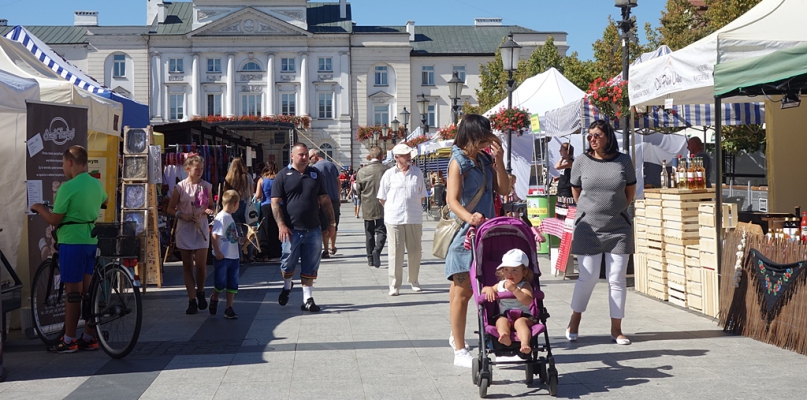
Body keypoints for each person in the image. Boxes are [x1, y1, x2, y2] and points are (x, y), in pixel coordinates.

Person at [445, 114, 509, 368]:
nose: (486, 140)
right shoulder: (457, 161)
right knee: (462, 292)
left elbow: (503, 190)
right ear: (471, 135)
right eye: (482, 136)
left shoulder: (483, 159)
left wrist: (499, 160)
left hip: (488, 233)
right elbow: (452, 200)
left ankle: (460, 335)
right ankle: (459, 349)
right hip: (466, 235)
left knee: (488, 290)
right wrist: (470, 217)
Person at [30, 145, 107, 353]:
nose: (63, 167)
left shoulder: (67, 187)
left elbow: (55, 219)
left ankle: (69, 340)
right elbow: (105, 201)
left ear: (70, 162)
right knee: (88, 291)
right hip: (91, 239)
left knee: (73, 293)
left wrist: (38, 208)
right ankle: (89, 337)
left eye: (63, 163)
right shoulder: (95, 183)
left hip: (72, 241)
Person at [566, 120, 636, 346]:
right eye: (589, 136)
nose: (592, 139)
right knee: (588, 277)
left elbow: (630, 190)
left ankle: (617, 329)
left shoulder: (624, 160)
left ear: (608, 137)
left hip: (618, 228)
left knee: (617, 279)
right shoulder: (581, 161)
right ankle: (574, 320)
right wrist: (588, 211)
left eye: (596, 135)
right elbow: (576, 190)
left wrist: (616, 210)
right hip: (588, 228)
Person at [272, 143, 336, 312]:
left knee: (311, 265)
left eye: (306, 154)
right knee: (287, 264)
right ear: (292, 156)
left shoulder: (315, 174)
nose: (304, 157)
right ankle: (287, 286)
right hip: (291, 230)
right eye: (300, 154)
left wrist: (331, 223)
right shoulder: (283, 175)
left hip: (313, 228)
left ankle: (307, 299)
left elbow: (325, 199)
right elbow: (275, 202)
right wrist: (281, 225)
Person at [377, 143, 428, 296]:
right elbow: (382, 197)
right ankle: (394, 284)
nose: (409, 157)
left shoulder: (417, 172)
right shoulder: (389, 174)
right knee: (395, 252)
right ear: (397, 157)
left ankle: (414, 280)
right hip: (394, 218)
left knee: (415, 251)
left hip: (413, 217)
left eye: (409, 154)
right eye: (405, 155)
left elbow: (422, 195)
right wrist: (393, 208)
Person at [167, 154, 215, 315]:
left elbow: (211, 206)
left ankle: (201, 291)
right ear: (188, 169)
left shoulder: (206, 186)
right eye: (197, 169)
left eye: (201, 169)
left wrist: (208, 211)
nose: (200, 172)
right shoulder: (179, 187)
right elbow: (169, 209)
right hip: (185, 228)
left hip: (200, 228)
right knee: (187, 265)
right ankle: (192, 299)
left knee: (201, 265)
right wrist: (181, 215)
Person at [480, 249, 535, 354]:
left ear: (524, 272)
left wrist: (515, 290)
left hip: (523, 315)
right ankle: (504, 336)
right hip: (505, 315)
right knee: (500, 321)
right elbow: (484, 289)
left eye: (514, 270)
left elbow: (527, 300)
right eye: (506, 270)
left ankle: (524, 343)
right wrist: (489, 290)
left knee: (520, 323)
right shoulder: (501, 284)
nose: (510, 274)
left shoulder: (524, 285)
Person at [210, 190, 242, 319]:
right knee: (220, 282)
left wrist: (241, 240)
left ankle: (229, 307)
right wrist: (217, 251)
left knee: (233, 282)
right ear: (235, 204)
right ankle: (215, 297)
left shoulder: (229, 217)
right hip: (223, 256)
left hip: (233, 255)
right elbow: (214, 235)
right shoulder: (222, 217)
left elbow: (232, 236)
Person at [356, 147, 389, 267]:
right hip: (383, 205)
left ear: (370, 156)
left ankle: (370, 258)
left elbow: (358, 190)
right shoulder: (387, 170)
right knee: (382, 231)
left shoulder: (362, 171)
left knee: (369, 233)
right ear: (381, 157)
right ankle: (377, 250)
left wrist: (362, 199)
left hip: (367, 205)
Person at [309, 149, 341, 258]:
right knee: (334, 223)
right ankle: (333, 246)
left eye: (310, 158)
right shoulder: (332, 165)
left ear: (315, 156)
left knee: (324, 224)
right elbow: (338, 182)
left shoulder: (315, 168)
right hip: (334, 198)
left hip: (322, 200)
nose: (309, 161)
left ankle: (326, 250)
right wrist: (339, 196)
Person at [224, 157, 253, 263]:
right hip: (245, 204)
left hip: (233, 204)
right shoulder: (247, 177)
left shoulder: (229, 177)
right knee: (247, 230)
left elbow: (225, 192)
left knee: (235, 230)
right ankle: (249, 254)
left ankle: (239, 255)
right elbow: (251, 192)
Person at [255, 161, 282, 261]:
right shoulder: (279, 179)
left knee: (265, 229)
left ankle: (265, 253)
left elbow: (258, 195)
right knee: (277, 228)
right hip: (279, 205)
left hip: (265, 206)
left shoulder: (261, 180)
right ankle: (277, 251)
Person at [555, 142, 576, 214]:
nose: (559, 151)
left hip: (567, 191)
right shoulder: (566, 162)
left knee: (566, 210)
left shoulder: (570, 162)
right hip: (561, 189)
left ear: (567, 151)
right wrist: (559, 178)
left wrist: (561, 159)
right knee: (560, 210)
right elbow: (566, 173)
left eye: (561, 150)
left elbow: (557, 167)